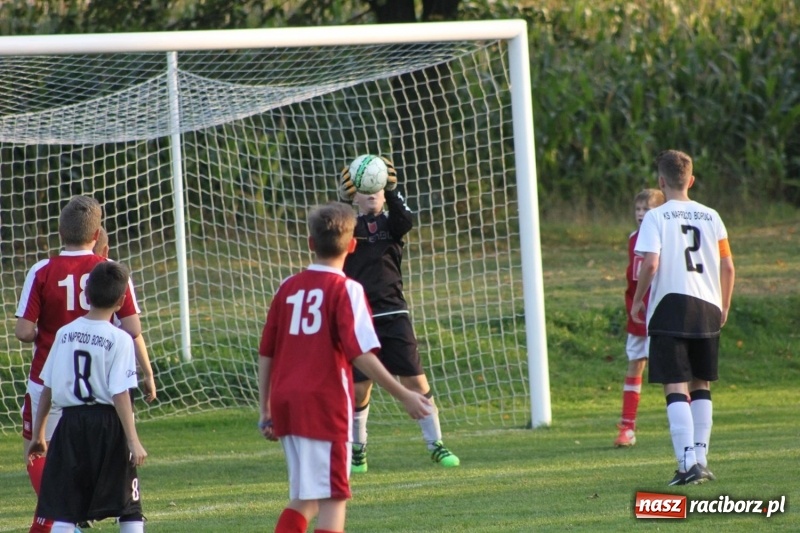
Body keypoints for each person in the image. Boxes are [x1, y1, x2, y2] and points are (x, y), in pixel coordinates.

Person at [257, 202, 431, 533]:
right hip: (324, 406)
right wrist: (404, 395)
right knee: (334, 500)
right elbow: (361, 355)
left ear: (311, 242)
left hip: (286, 402)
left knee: (306, 498)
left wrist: (265, 407)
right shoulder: (347, 289)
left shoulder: (287, 287)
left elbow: (267, 352)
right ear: (352, 246)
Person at [15, 197, 155, 533]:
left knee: (41, 453)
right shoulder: (109, 269)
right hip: (105, 386)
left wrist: (39, 331)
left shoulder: (42, 270)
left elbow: (23, 331)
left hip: (50, 377)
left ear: (60, 232)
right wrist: (146, 371)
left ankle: (60, 517)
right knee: (119, 474)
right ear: (97, 234)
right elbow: (133, 328)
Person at [339, 157, 459, 472]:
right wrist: (344, 202)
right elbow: (334, 231)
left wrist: (391, 189)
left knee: (416, 381)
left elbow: (405, 220)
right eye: (365, 191)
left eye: (377, 190)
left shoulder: (393, 224)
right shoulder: (350, 226)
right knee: (359, 387)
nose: (372, 194)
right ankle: (358, 451)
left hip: (394, 312)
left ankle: (436, 445)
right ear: (354, 195)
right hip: (359, 316)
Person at [631, 149, 735, 486]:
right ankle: (701, 459)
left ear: (662, 181)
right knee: (701, 383)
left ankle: (687, 462)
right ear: (690, 180)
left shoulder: (656, 217)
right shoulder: (712, 216)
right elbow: (728, 266)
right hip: (708, 305)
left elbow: (650, 263)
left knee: (675, 384)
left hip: (670, 305)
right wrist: (725, 304)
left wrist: (637, 300)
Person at [27, 261, 147, 532]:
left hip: (70, 425)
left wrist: (39, 434)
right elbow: (119, 392)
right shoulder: (120, 339)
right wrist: (133, 440)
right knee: (128, 503)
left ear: (87, 296)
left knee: (64, 507)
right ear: (121, 300)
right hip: (108, 425)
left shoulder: (64, 333)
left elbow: (48, 386)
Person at [614, 188, 665, 447]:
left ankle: (687, 426)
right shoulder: (633, 238)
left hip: (663, 315)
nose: (641, 214)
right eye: (638, 209)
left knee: (674, 372)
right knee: (635, 364)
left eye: (647, 209)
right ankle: (627, 428)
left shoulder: (666, 237)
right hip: (637, 315)